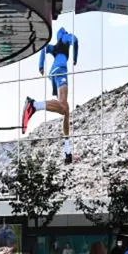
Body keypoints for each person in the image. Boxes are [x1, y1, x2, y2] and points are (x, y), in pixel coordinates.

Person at [21, 27, 79, 163]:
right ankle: (34, 105)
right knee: (63, 107)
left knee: (66, 110)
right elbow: (75, 40)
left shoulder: (54, 47)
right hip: (61, 70)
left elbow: (45, 48)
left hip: (53, 73)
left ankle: (67, 150)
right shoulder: (65, 38)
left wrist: (41, 65)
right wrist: (75, 58)